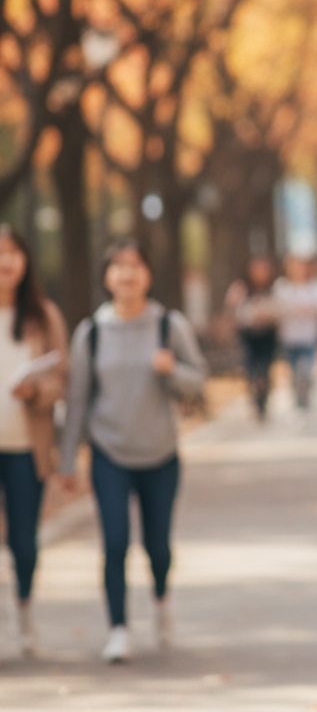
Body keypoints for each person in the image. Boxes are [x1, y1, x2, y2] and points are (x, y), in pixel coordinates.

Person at [57, 238, 207, 663]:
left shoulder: (168, 325)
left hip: (160, 453)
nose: (127, 273)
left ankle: (161, 599)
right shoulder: (90, 333)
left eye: (135, 265)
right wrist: (68, 461)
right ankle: (119, 628)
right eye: (119, 266)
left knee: (157, 547)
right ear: (107, 277)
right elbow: (78, 401)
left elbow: (198, 378)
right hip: (109, 453)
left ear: (148, 275)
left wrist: (171, 369)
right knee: (116, 541)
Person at [0, 226, 67, 657]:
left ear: (25, 261)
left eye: (12, 252)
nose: (5, 261)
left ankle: (23, 610)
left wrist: (37, 392)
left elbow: (61, 376)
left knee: (24, 543)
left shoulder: (44, 315)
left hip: (27, 448)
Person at [273, 252, 317, 410]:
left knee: (306, 370)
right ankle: (299, 400)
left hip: (310, 337)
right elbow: (276, 308)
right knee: (293, 372)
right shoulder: (282, 286)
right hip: (290, 338)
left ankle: (306, 397)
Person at [225, 257, 278, 420]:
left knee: (264, 371)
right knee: (250, 370)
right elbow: (231, 309)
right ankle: (255, 399)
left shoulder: (273, 289)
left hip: (267, 336)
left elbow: (281, 309)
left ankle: (263, 401)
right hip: (248, 336)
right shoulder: (240, 289)